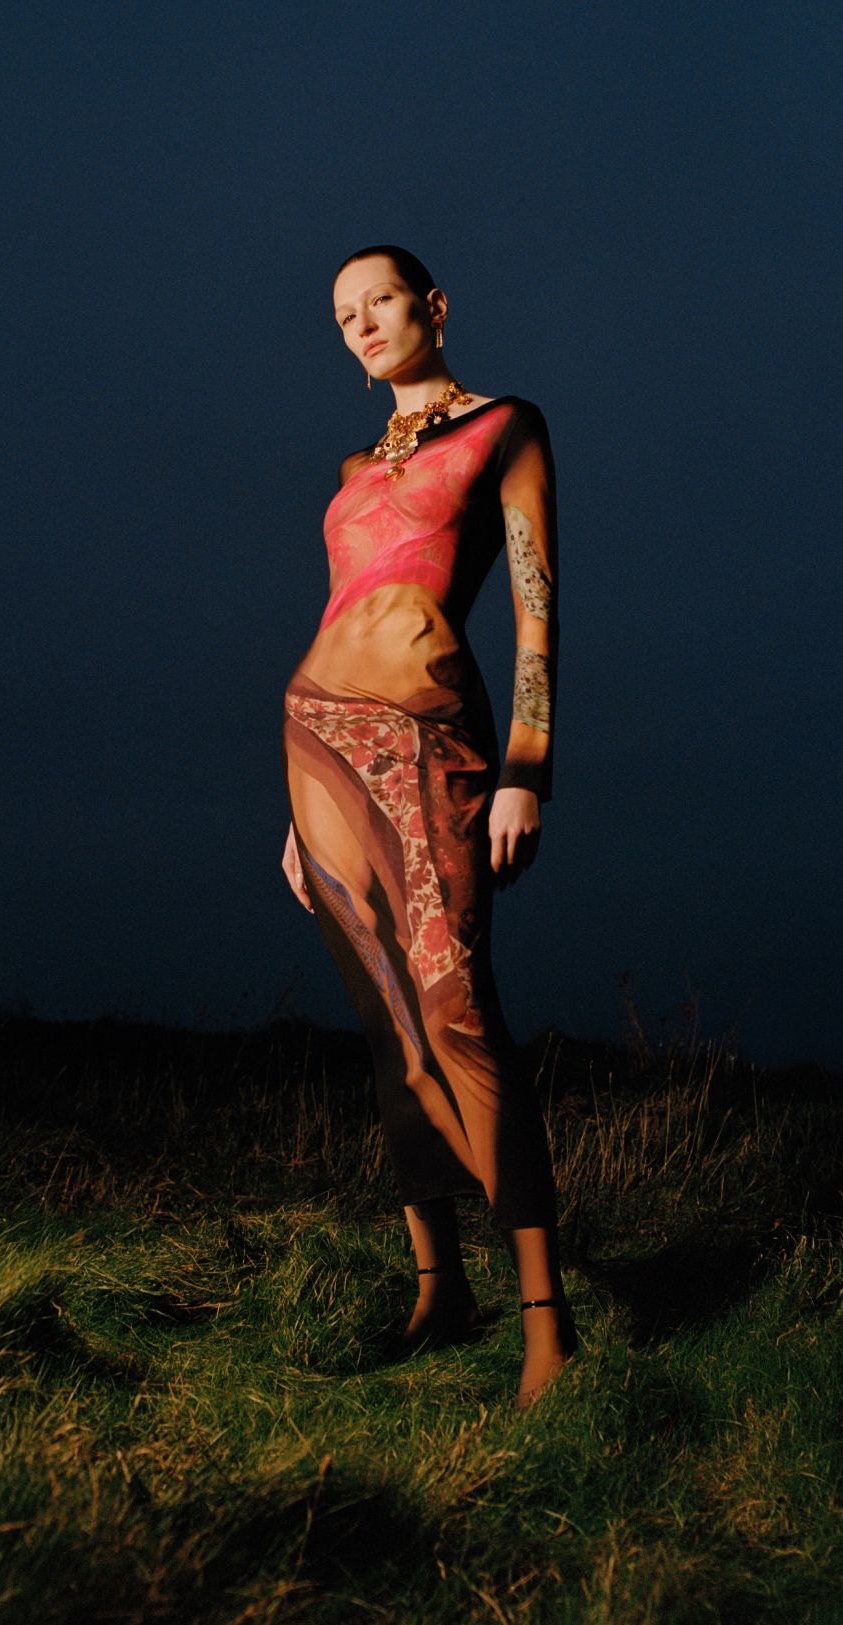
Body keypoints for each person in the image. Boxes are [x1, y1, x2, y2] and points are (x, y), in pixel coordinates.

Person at [280, 244, 576, 1408]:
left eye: (381, 300)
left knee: (456, 1010)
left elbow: (539, 605)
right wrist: (293, 813)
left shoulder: (505, 426)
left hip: (429, 737)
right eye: (341, 315)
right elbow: (336, 605)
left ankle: (546, 1320)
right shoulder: (355, 465)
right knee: (389, 1029)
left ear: (433, 307)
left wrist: (525, 768)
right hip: (316, 738)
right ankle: (437, 1290)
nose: (361, 323)